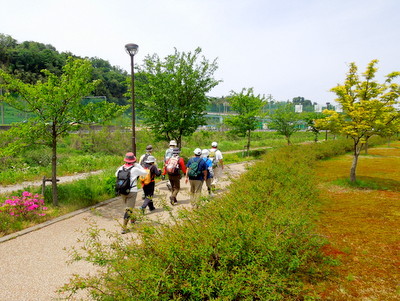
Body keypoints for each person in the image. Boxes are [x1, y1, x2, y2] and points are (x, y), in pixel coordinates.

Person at [115, 152, 147, 234]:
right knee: (129, 209)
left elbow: (116, 175)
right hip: (132, 191)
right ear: (134, 160)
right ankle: (124, 228)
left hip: (122, 191)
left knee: (128, 207)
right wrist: (138, 165)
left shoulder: (121, 168)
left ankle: (133, 219)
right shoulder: (135, 169)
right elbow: (145, 172)